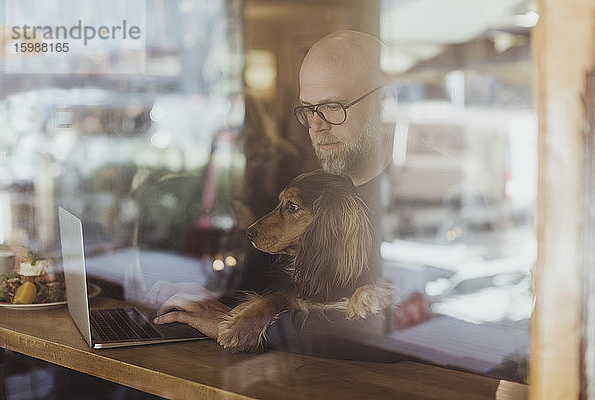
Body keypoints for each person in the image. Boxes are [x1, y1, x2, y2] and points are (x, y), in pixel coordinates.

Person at [151, 30, 428, 355]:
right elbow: (284, 285)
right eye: (309, 110)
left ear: (386, 103)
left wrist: (258, 328)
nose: (316, 125)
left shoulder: (416, 200)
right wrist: (220, 303)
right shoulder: (321, 191)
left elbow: (391, 329)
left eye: (333, 106)